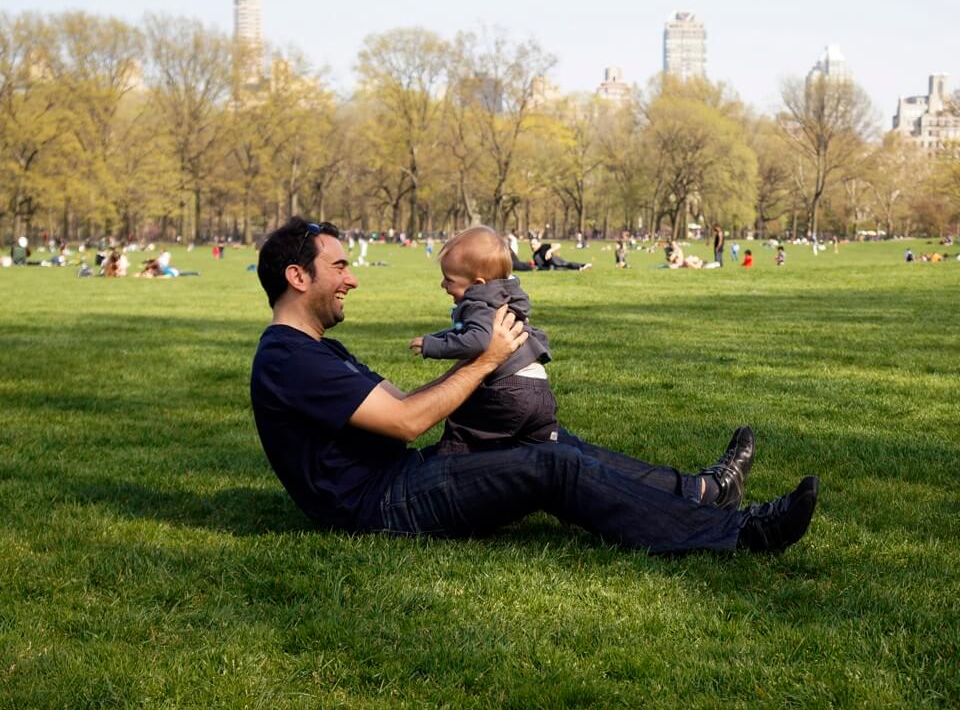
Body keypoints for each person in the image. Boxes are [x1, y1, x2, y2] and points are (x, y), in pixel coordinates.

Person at [249, 217, 820, 556]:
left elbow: (399, 404)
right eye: (340, 267)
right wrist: (485, 358)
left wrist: (491, 366)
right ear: (298, 277)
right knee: (552, 468)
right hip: (380, 506)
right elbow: (406, 422)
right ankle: (738, 533)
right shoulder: (287, 358)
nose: (352, 277)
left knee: (550, 442)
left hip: (403, 478)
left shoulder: (321, 350)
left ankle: (702, 491)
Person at [408, 226, 557, 455]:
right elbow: (463, 332)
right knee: (537, 453)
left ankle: (450, 464)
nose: (443, 285)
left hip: (507, 390)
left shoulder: (476, 304)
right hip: (539, 389)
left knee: (465, 431)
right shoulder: (504, 297)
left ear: (477, 284)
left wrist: (433, 346)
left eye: (449, 280)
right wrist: (435, 337)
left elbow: (476, 341)